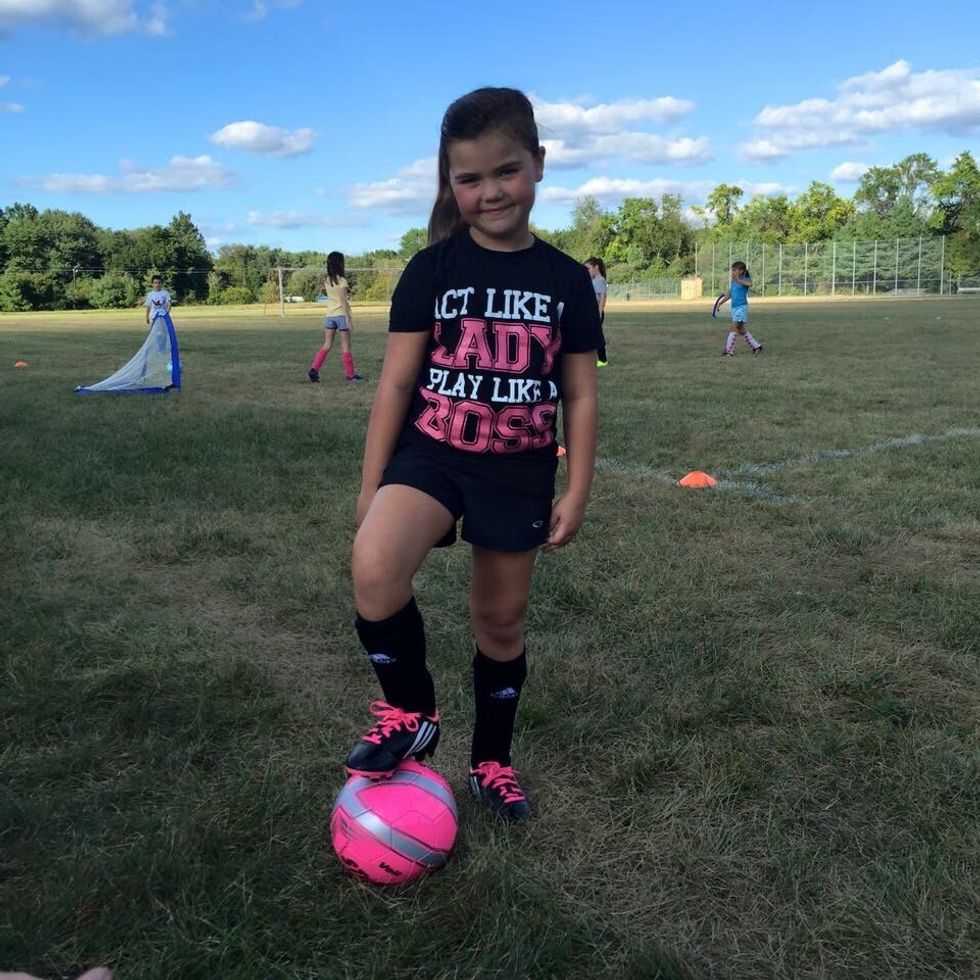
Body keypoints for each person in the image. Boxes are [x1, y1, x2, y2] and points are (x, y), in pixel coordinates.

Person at [342, 87, 600, 824]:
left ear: (539, 165)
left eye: (506, 172)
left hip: (518, 470)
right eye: (469, 179)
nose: (490, 192)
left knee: (501, 621)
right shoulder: (431, 270)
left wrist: (576, 488)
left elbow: (579, 395)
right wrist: (372, 488)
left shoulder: (565, 281)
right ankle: (411, 714)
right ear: (449, 184)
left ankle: (491, 762)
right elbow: (394, 385)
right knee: (374, 564)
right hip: (432, 454)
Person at [308, 252, 365, 382]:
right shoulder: (342, 281)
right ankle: (351, 375)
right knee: (346, 347)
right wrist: (348, 319)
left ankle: (314, 369)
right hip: (341, 315)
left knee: (327, 344)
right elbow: (343, 301)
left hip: (330, 315)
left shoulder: (327, 280)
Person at [714, 261, 764, 356]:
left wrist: (738, 280)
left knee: (733, 328)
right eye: (732, 270)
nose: (732, 272)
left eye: (734, 270)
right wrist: (720, 303)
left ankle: (729, 352)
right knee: (741, 330)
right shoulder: (733, 281)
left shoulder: (745, 279)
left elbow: (750, 284)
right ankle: (757, 347)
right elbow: (730, 294)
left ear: (741, 271)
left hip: (741, 308)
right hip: (735, 308)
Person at [584, 258, 608, 366]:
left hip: (596, 312)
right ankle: (591, 358)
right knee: (590, 335)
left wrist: (599, 312)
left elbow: (602, 297)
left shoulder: (600, 280)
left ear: (596, 267)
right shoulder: (594, 280)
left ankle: (602, 360)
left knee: (597, 336)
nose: (586, 271)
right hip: (590, 312)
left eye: (588, 268)